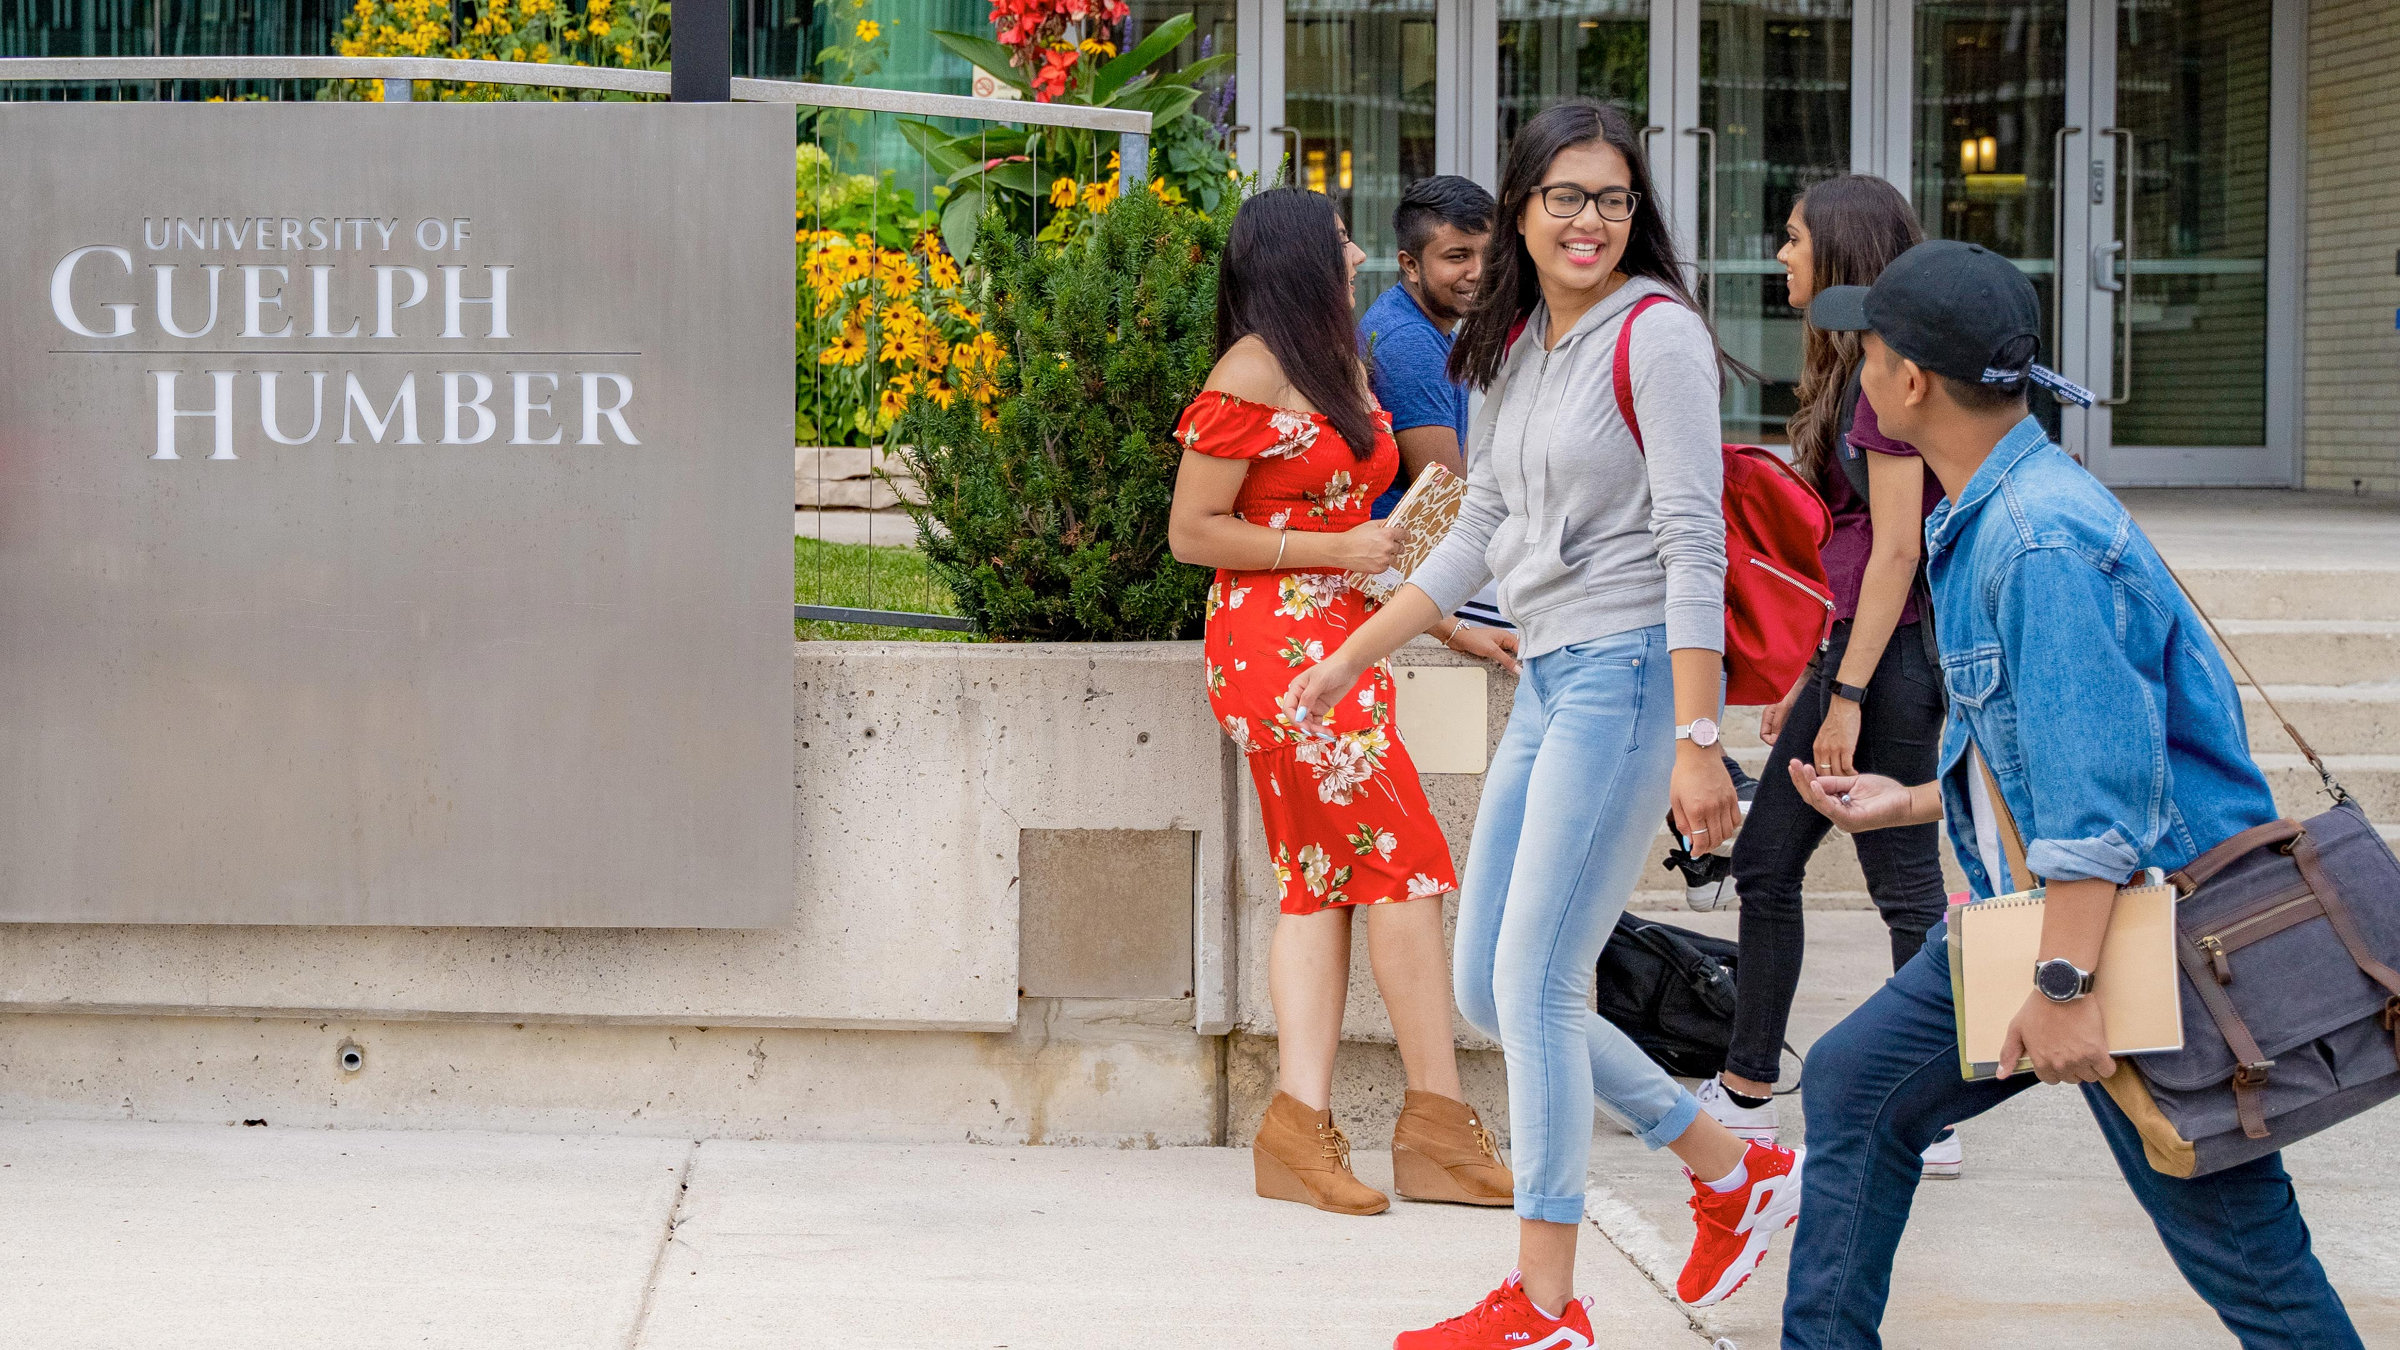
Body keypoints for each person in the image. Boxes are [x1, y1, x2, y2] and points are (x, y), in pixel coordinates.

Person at [1780, 239, 2363, 1349]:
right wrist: (1907, 802)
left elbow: (2099, 807)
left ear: (1910, 382)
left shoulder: (2039, 539)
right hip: (2071, 918)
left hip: (2134, 942)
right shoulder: (2005, 510)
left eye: (1870, 350)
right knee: (1855, 1086)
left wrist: (2062, 983)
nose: (1858, 368)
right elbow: (2059, 745)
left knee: (2250, 1260)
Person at [1284, 101, 1800, 1350]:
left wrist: (1696, 736)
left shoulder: (1658, 336)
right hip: (1553, 675)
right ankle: (1734, 1171)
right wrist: (1356, 651)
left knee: (1542, 984)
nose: (1590, 220)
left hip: (1628, 677)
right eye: (1566, 196)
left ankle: (1548, 1306)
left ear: (1637, 215)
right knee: (1486, 986)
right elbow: (1476, 527)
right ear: (1521, 206)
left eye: (1613, 199)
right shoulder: (1510, 345)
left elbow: (1692, 542)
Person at [1166, 186, 1520, 1219]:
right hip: (1275, 652)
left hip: (1343, 641)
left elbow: (1376, 533)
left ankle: (1300, 1130)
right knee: (1402, 868)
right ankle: (1435, 1128)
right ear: (1293, 260)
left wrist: (1449, 624)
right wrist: (1331, 549)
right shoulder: (1249, 372)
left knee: (1321, 884)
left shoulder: (1335, 365)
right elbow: (1195, 531)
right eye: (1339, 243)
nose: (1360, 253)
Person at [1695, 176, 1960, 1177]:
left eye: (1796, 240)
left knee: (1900, 888)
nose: (1781, 256)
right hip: (1858, 652)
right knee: (1770, 867)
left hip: (1887, 663)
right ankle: (1753, 1086)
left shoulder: (1885, 379)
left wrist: (1843, 695)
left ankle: (1924, 1110)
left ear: (1842, 254)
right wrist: (1815, 678)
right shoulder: (1853, 374)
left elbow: (1895, 551)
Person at [1359, 176, 1512, 632]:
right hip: (1403, 569)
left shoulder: (1417, 322)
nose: (1479, 272)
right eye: (1458, 257)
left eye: (1489, 255)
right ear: (1410, 264)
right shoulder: (1409, 342)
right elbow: (1447, 496)